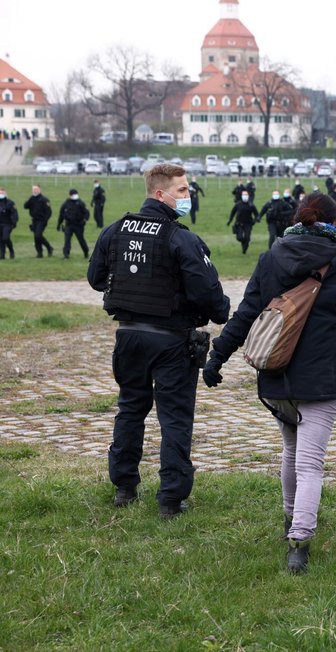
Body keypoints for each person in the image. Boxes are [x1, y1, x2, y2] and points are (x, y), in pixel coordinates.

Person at [202, 191, 336, 574]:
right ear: (335, 222)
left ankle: (290, 520)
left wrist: (218, 356)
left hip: (276, 374)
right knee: (310, 463)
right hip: (323, 377)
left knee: (291, 453)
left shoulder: (272, 257)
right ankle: (299, 541)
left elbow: (247, 314)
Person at [87, 163, 230, 519]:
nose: (188, 196)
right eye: (181, 191)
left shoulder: (116, 230)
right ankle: (171, 499)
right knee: (175, 419)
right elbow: (210, 294)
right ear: (159, 193)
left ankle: (124, 486)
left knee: (131, 409)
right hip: (171, 342)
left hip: (129, 336)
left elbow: (95, 278)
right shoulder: (180, 237)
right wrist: (219, 310)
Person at [57, 188, 90, 259]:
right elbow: (61, 214)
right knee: (67, 240)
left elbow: (86, 213)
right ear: (69, 195)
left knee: (81, 239)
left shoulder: (81, 203)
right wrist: (59, 224)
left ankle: (86, 252)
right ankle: (66, 254)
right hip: (68, 224)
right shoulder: (66, 203)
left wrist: (84, 221)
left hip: (79, 225)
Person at [24, 184, 54, 257]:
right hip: (34, 220)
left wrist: (45, 220)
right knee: (36, 237)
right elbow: (25, 206)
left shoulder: (44, 199)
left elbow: (49, 212)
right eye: (33, 189)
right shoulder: (32, 198)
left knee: (38, 235)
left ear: (40, 190)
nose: (35, 190)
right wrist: (30, 199)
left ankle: (49, 247)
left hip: (42, 220)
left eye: (36, 189)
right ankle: (39, 253)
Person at [0, 187, 18, 260]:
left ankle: (11, 250)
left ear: (5, 193)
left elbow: (14, 213)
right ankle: (2, 254)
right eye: (0, 193)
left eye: (2, 193)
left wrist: (14, 222)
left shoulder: (10, 203)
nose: (1, 194)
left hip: (7, 224)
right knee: (0, 240)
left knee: (5, 238)